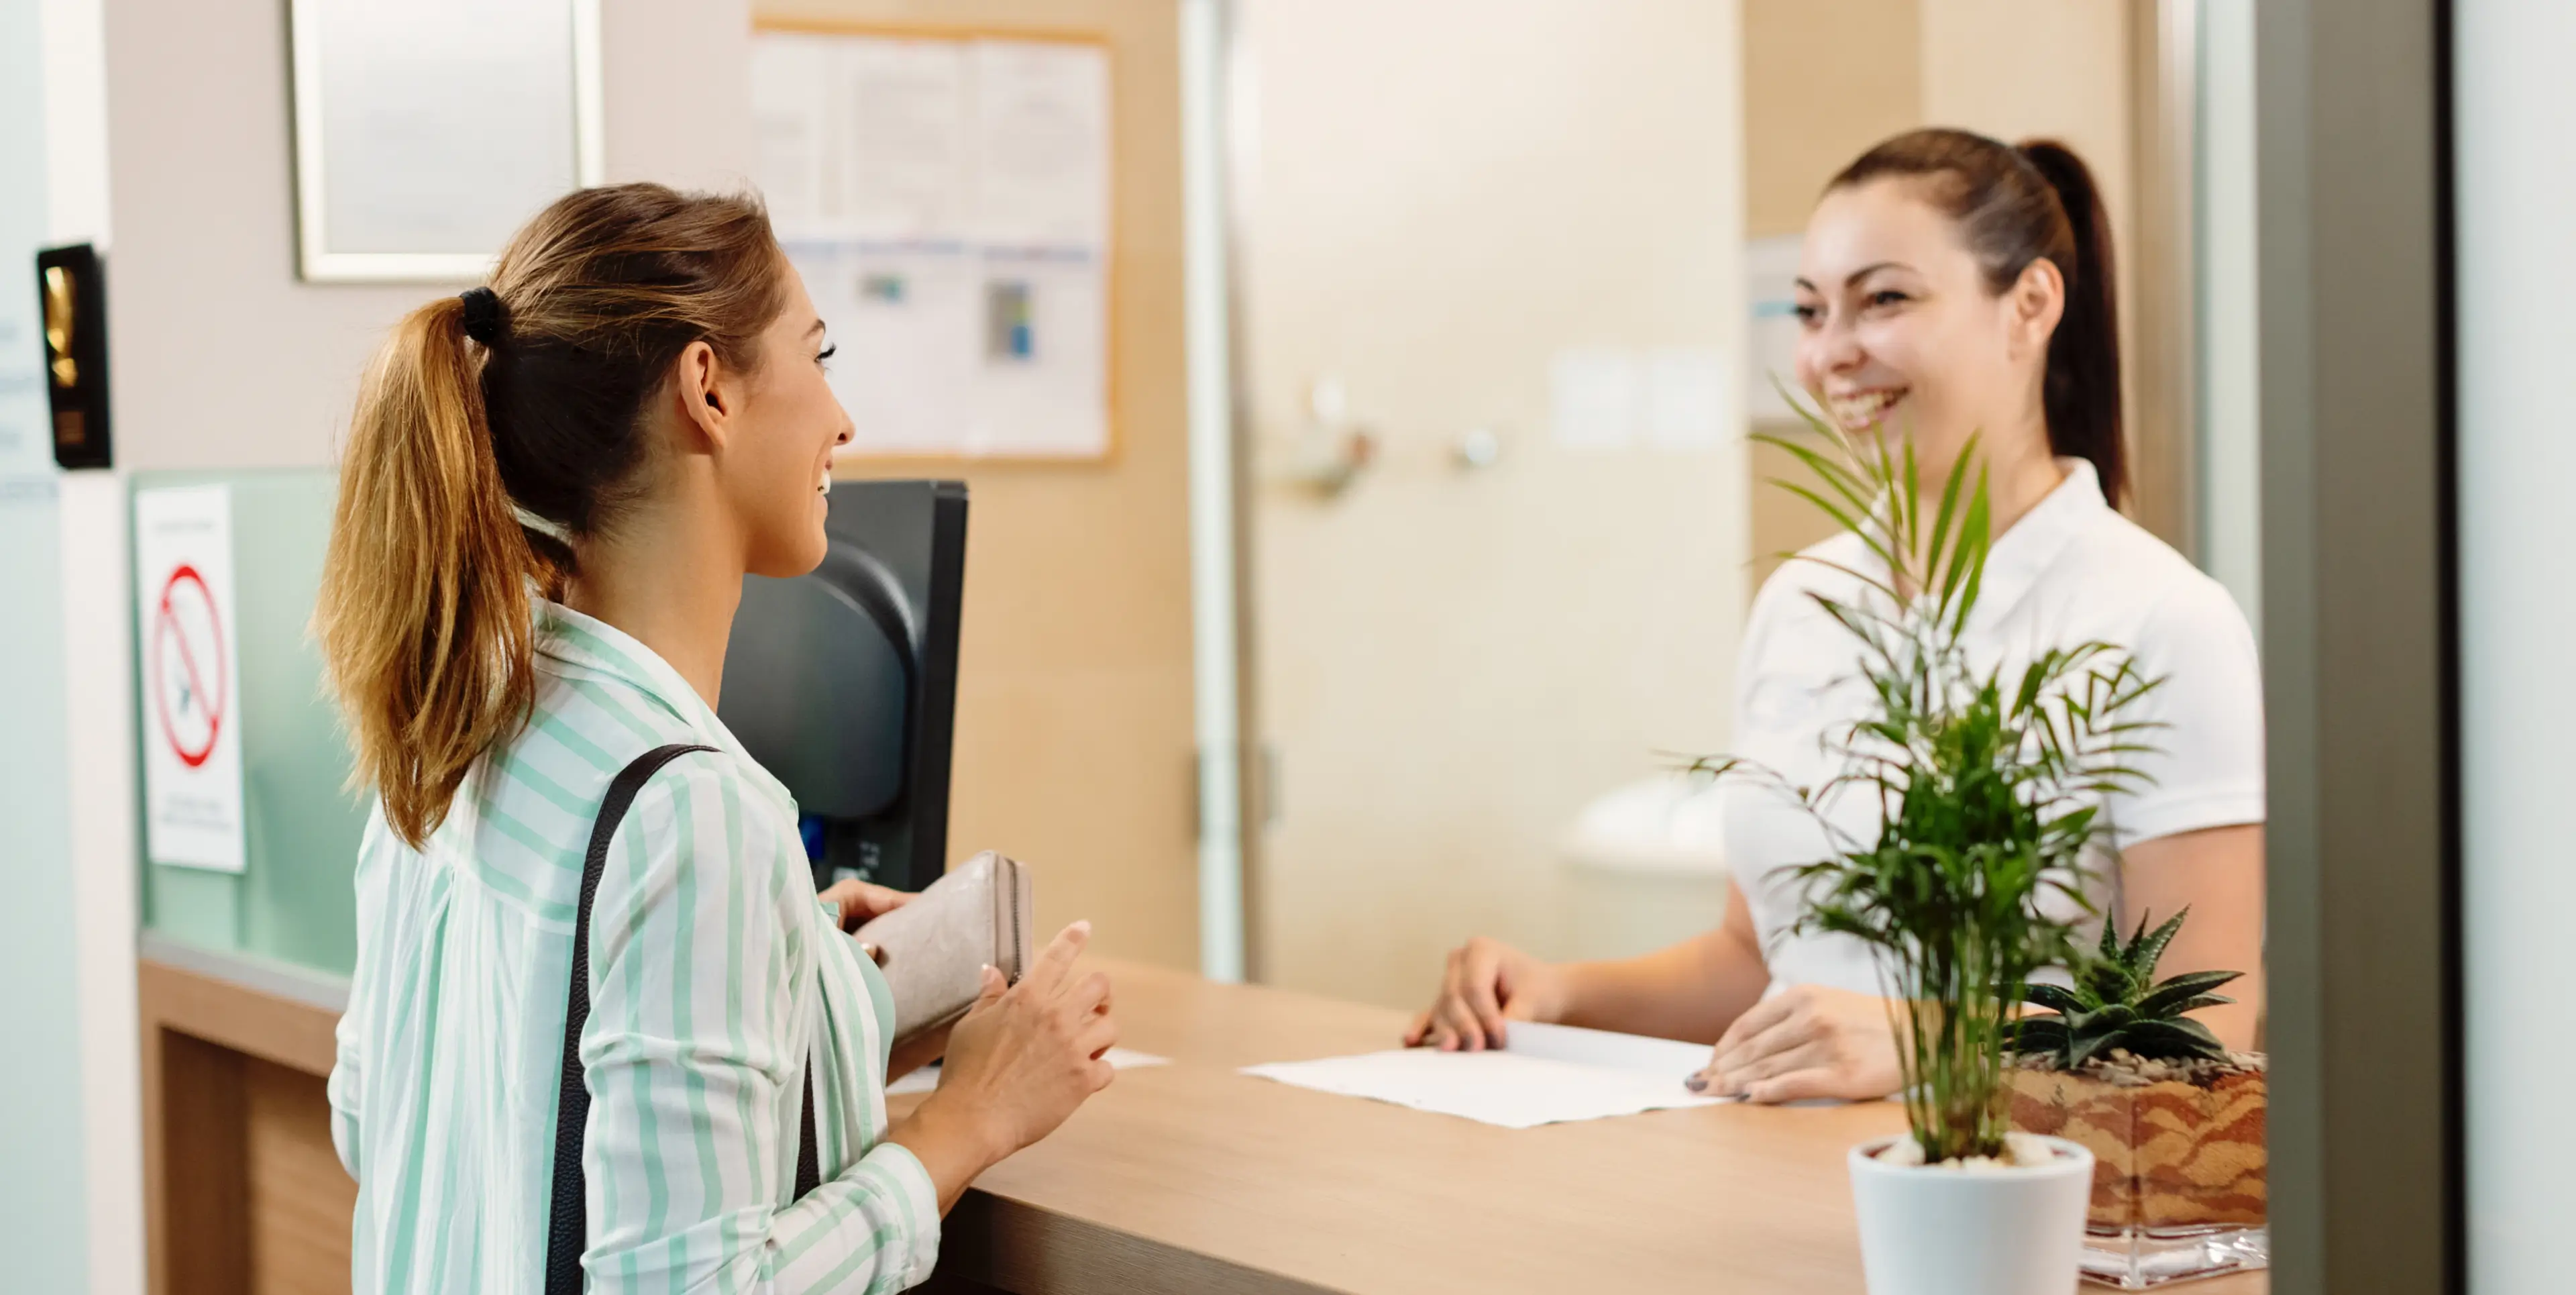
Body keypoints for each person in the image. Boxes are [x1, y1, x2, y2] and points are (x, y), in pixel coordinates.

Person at [317, 183, 1116, 1293]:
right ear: (708, 389)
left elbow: (380, 1121)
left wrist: (797, 974)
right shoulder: (689, 814)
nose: (843, 421)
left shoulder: (455, 720)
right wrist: (964, 1126)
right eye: (818, 354)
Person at [1407, 129, 2266, 1103]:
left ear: (2030, 305)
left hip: (2022, 1209)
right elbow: (1758, 957)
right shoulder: (1803, 601)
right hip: (1763, 1183)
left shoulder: (2165, 621)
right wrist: (1555, 989)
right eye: (1811, 311)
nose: (1828, 355)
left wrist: (1926, 1039)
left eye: (1885, 298)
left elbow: (2199, 1030)